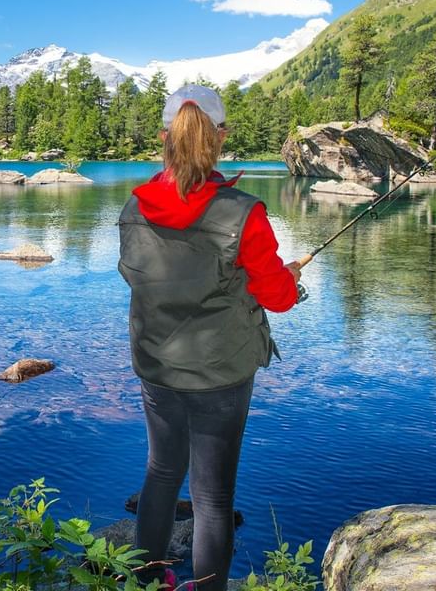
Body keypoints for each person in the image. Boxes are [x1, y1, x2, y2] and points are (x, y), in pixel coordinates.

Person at [117, 84, 302, 590]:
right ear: (219, 137)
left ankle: (145, 582)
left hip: (156, 367)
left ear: (165, 137)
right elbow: (279, 296)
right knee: (213, 499)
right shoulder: (243, 213)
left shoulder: (133, 210)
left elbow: (142, 278)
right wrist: (291, 280)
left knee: (160, 474)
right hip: (221, 374)